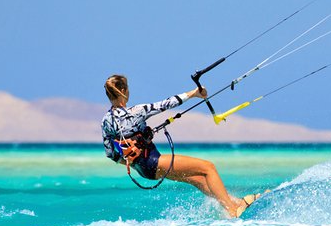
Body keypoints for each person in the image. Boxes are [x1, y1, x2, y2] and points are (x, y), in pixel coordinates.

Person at [101, 74, 260, 217]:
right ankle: (232, 210)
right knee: (208, 168)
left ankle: (236, 202)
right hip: (153, 162)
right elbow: (166, 104)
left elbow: (111, 155)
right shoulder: (136, 111)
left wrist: (133, 161)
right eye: (127, 88)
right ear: (123, 90)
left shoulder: (106, 121)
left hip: (143, 170)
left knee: (197, 179)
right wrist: (194, 93)